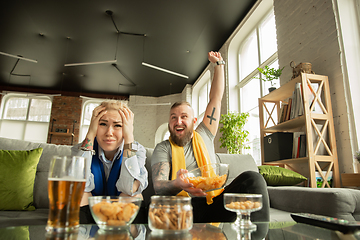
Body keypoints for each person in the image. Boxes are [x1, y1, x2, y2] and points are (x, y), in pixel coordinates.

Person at [151, 51, 269, 223]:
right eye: (173, 117)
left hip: (214, 203)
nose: (178, 121)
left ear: (194, 121)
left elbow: (216, 98)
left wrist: (219, 65)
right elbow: (158, 186)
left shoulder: (205, 133)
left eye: (184, 116)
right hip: (182, 208)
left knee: (253, 178)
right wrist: (178, 184)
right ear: (169, 122)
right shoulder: (163, 147)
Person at [75, 100, 148, 224]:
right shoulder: (82, 149)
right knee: (78, 195)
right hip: (91, 210)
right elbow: (76, 185)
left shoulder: (138, 150)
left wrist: (129, 137)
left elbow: (130, 188)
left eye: (118, 125)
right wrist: (91, 133)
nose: (109, 132)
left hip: (120, 210)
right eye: (103, 124)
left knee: (133, 197)